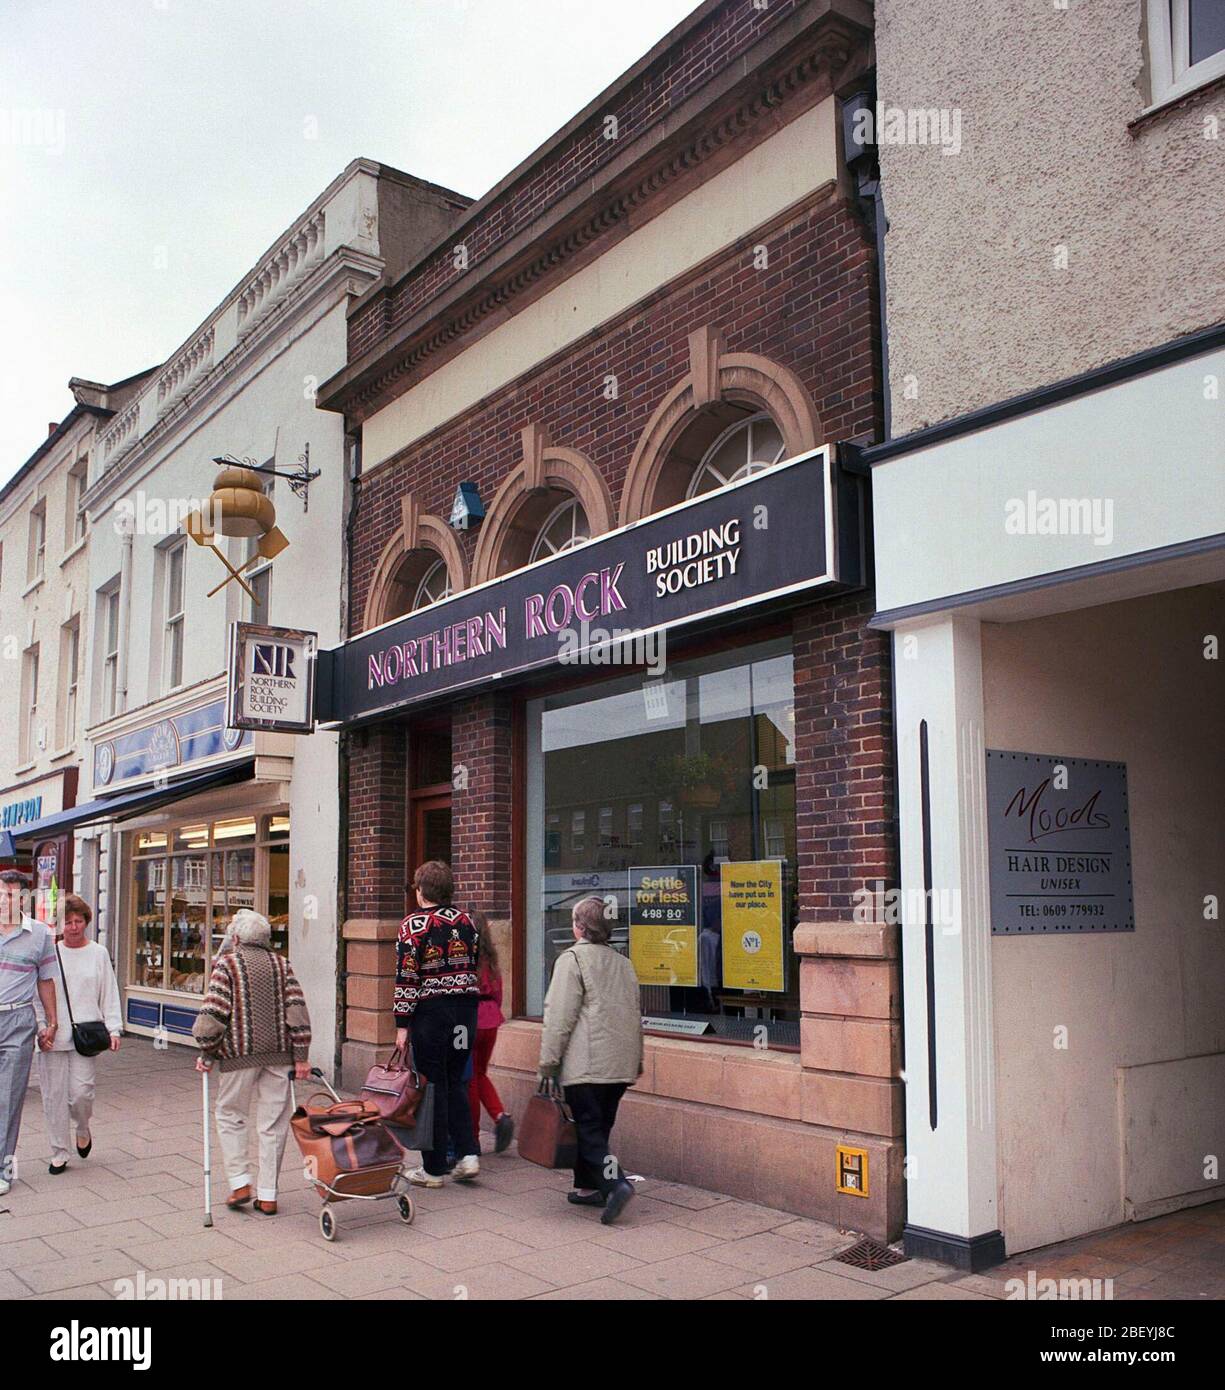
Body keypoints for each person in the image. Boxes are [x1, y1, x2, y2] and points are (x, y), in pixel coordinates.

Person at [192, 909, 311, 1216]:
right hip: (278, 1056)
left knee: (231, 1115)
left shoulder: (227, 965)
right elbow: (297, 1011)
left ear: (235, 938)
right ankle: (268, 1194)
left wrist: (207, 1052)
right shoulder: (282, 965)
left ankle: (240, 1183)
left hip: (238, 1056)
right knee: (273, 1124)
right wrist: (301, 1057)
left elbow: (214, 1014)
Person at [538, 895, 643, 1225]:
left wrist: (548, 1062)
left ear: (579, 927)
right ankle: (588, 1187)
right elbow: (635, 1015)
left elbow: (559, 1017)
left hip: (587, 1065)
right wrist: (636, 1060)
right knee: (598, 1127)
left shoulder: (572, 959)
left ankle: (616, 1184)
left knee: (590, 1132)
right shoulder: (623, 962)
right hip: (620, 1066)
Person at [394, 860, 480, 1188]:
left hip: (431, 1014)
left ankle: (433, 1169)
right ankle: (468, 1153)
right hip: (465, 1013)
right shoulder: (466, 921)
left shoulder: (413, 925)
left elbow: (406, 976)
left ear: (422, 890)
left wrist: (402, 1024)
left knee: (433, 1086)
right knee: (457, 1081)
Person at [34, 894, 121, 1174]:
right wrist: (40, 1026)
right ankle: (59, 1151)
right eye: (68, 922)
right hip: (52, 1034)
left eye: (79, 921)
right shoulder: (49, 953)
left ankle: (83, 1126)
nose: (73, 927)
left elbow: (109, 991)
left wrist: (113, 1028)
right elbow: (37, 992)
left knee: (81, 1093)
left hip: (87, 1033)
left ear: (86, 922)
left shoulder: (98, 953)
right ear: (60, 925)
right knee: (53, 1096)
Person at [0, 869, 59, 1196]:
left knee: (8, 1099)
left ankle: (3, 1169)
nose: (3, 899)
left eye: (10, 894)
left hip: (18, 1021)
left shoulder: (39, 934)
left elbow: (45, 980)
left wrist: (51, 1022)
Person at [469, 912, 514, 1154]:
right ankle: (499, 1115)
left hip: (471, 1021)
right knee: (480, 1073)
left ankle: (473, 1139)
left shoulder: (465, 956)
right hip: (490, 1021)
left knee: (470, 1080)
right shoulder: (491, 958)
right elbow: (499, 995)